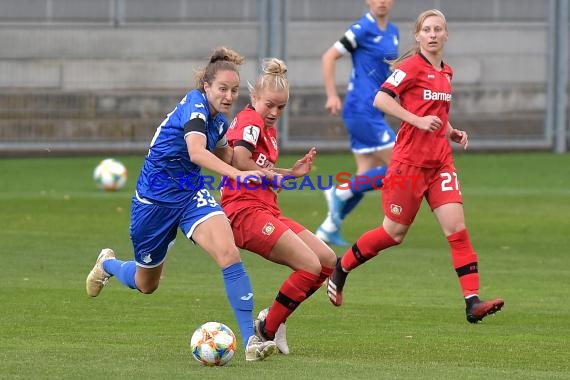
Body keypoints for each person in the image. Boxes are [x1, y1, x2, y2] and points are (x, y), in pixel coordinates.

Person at [85, 47, 277, 361]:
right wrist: (235, 175)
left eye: (234, 90)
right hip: (154, 200)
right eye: (223, 89)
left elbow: (228, 157)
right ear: (207, 87)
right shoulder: (195, 106)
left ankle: (250, 342)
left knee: (228, 253)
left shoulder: (219, 121)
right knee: (146, 284)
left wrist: (271, 172)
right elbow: (196, 153)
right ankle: (107, 264)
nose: (229, 96)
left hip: (189, 193)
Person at [326, 10, 505, 324]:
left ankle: (472, 302)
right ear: (418, 36)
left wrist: (451, 130)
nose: (433, 34)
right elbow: (381, 100)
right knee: (392, 234)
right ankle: (342, 267)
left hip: (440, 164)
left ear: (446, 35)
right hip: (408, 165)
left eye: (438, 29)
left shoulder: (447, 72)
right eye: (427, 29)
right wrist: (417, 121)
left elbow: (437, 112)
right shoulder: (410, 67)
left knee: (457, 230)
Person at [220, 58, 338, 354]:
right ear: (255, 98)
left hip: (266, 210)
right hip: (243, 212)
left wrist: (290, 173)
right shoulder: (250, 120)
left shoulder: (266, 127)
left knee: (327, 259)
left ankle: (272, 321)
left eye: (281, 107)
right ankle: (266, 330)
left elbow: (259, 168)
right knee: (310, 265)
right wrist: (273, 177)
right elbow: (239, 160)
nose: (274, 113)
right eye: (269, 105)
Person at [315, 0, 399, 246]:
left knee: (365, 175)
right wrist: (332, 95)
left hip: (374, 111)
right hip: (361, 109)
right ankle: (339, 191)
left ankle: (328, 227)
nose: (381, 1)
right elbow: (329, 57)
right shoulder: (362, 28)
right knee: (400, 166)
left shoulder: (392, 32)